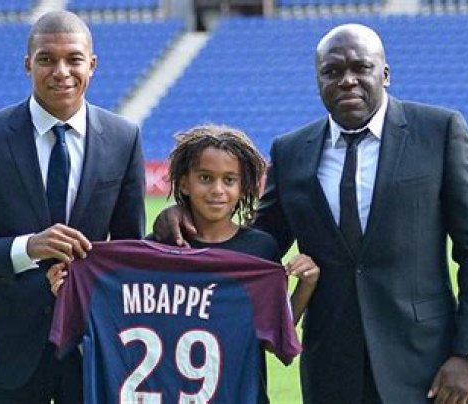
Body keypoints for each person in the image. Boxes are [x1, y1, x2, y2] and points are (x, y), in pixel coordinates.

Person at [154, 24, 468, 403]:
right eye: (332, 71)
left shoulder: (439, 131)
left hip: (424, 362)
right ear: (318, 80)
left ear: (385, 73)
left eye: (360, 67)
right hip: (331, 365)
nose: (347, 80)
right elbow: (253, 246)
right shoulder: (291, 151)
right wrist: (185, 217)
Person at [0, 11, 145, 403]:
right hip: (8, 351)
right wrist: (28, 248)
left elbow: (128, 253)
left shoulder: (124, 138)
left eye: (74, 59)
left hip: (92, 347)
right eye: (47, 59)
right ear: (28, 64)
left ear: (92, 65)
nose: (61, 71)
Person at [48, 124, 320, 402]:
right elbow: (107, 324)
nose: (217, 190)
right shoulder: (153, 251)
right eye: (205, 178)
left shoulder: (259, 250)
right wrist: (70, 289)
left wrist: (306, 286)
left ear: (244, 186)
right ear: (184, 183)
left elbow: (276, 338)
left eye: (229, 180)